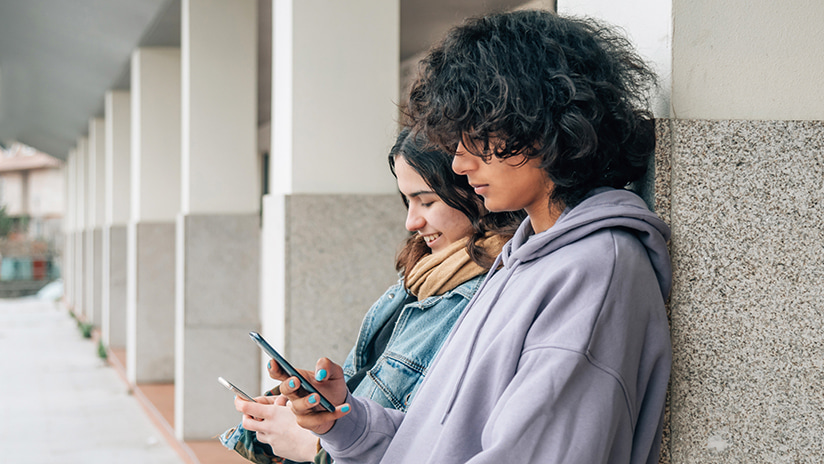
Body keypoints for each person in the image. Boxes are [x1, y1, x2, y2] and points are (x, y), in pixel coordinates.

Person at [270, 10, 673, 464]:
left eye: (475, 137)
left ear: (541, 125)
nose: (460, 164)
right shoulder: (524, 257)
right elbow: (435, 440)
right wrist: (348, 422)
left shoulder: (595, 271)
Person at [219, 128, 524, 463]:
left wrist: (315, 447)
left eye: (427, 201)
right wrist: (303, 411)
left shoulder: (488, 297)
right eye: (407, 201)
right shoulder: (422, 276)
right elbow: (362, 399)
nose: (412, 221)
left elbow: (438, 440)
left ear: (476, 192)